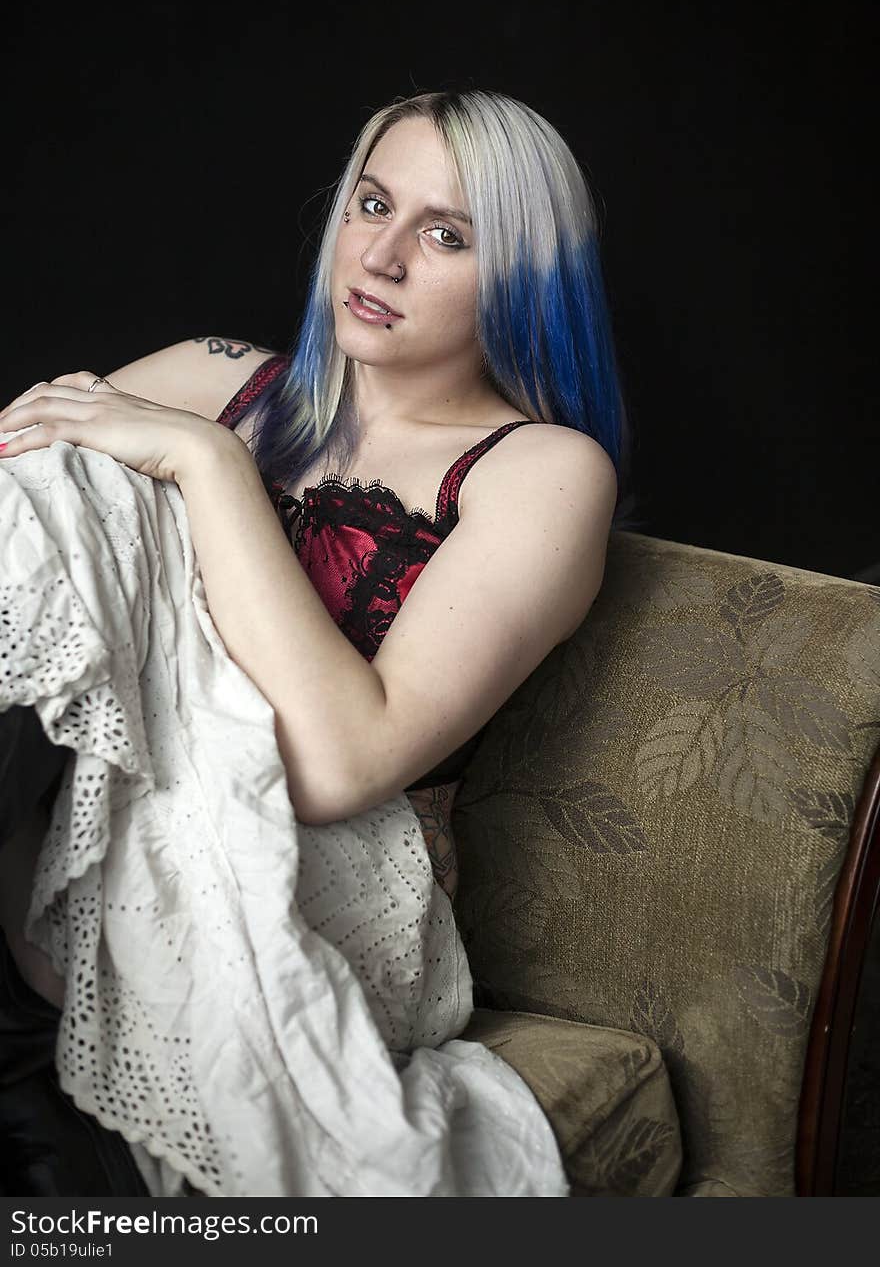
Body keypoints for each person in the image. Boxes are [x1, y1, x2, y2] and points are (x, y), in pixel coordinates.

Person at [0, 87, 632, 1193]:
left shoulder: (545, 473)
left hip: (318, 888)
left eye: (445, 235)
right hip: (59, 814)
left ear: (528, 275)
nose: (381, 256)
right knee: (53, 488)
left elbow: (343, 761)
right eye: (371, 204)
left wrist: (207, 464)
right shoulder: (216, 375)